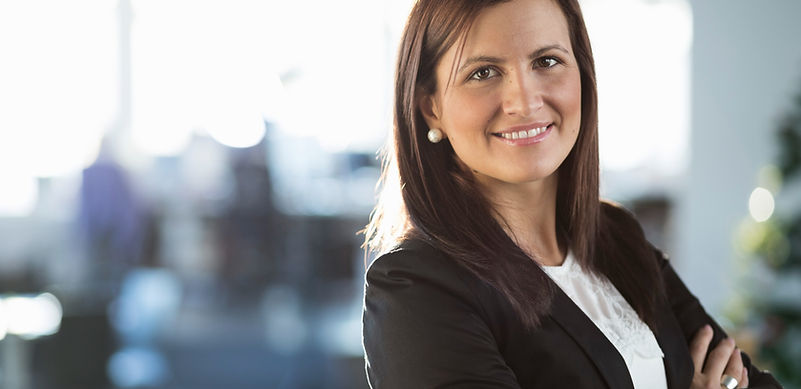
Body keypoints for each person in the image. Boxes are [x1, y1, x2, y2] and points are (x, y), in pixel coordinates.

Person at [360, 0, 784, 388]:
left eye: (546, 61)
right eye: (483, 72)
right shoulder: (417, 288)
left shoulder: (616, 238)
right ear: (430, 106)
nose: (524, 102)